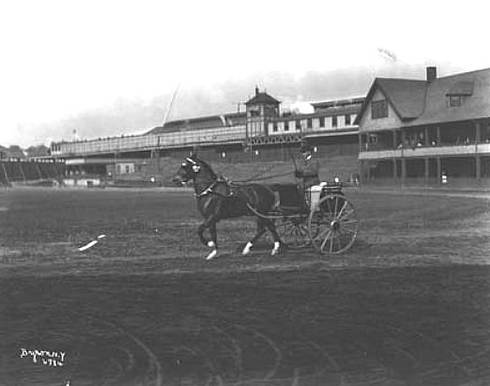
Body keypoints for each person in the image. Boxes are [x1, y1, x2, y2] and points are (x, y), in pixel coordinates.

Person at [295, 142, 320, 209]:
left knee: (301, 187)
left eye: (304, 152)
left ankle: (306, 205)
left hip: (313, 181)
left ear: (309, 152)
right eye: (302, 153)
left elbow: (313, 171)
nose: (302, 154)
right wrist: (297, 173)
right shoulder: (303, 161)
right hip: (305, 181)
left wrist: (302, 173)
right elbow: (301, 170)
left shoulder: (314, 160)